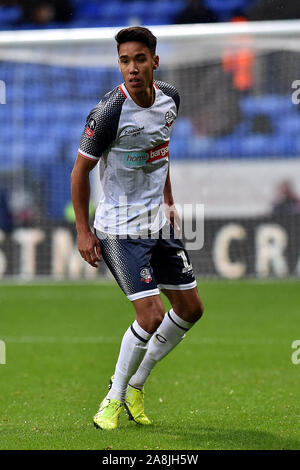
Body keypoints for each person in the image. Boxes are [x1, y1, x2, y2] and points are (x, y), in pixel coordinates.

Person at [71, 26, 204, 431]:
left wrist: (167, 197)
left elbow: (159, 151)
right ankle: (112, 398)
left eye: (139, 59)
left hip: (157, 224)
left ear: (154, 61)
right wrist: (82, 230)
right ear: (119, 64)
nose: (131, 68)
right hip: (118, 229)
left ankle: (136, 384)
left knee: (191, 309)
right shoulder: (109, 111)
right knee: (150, 315)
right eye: (124, 61)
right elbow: (79, 173)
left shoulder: (170, 99)